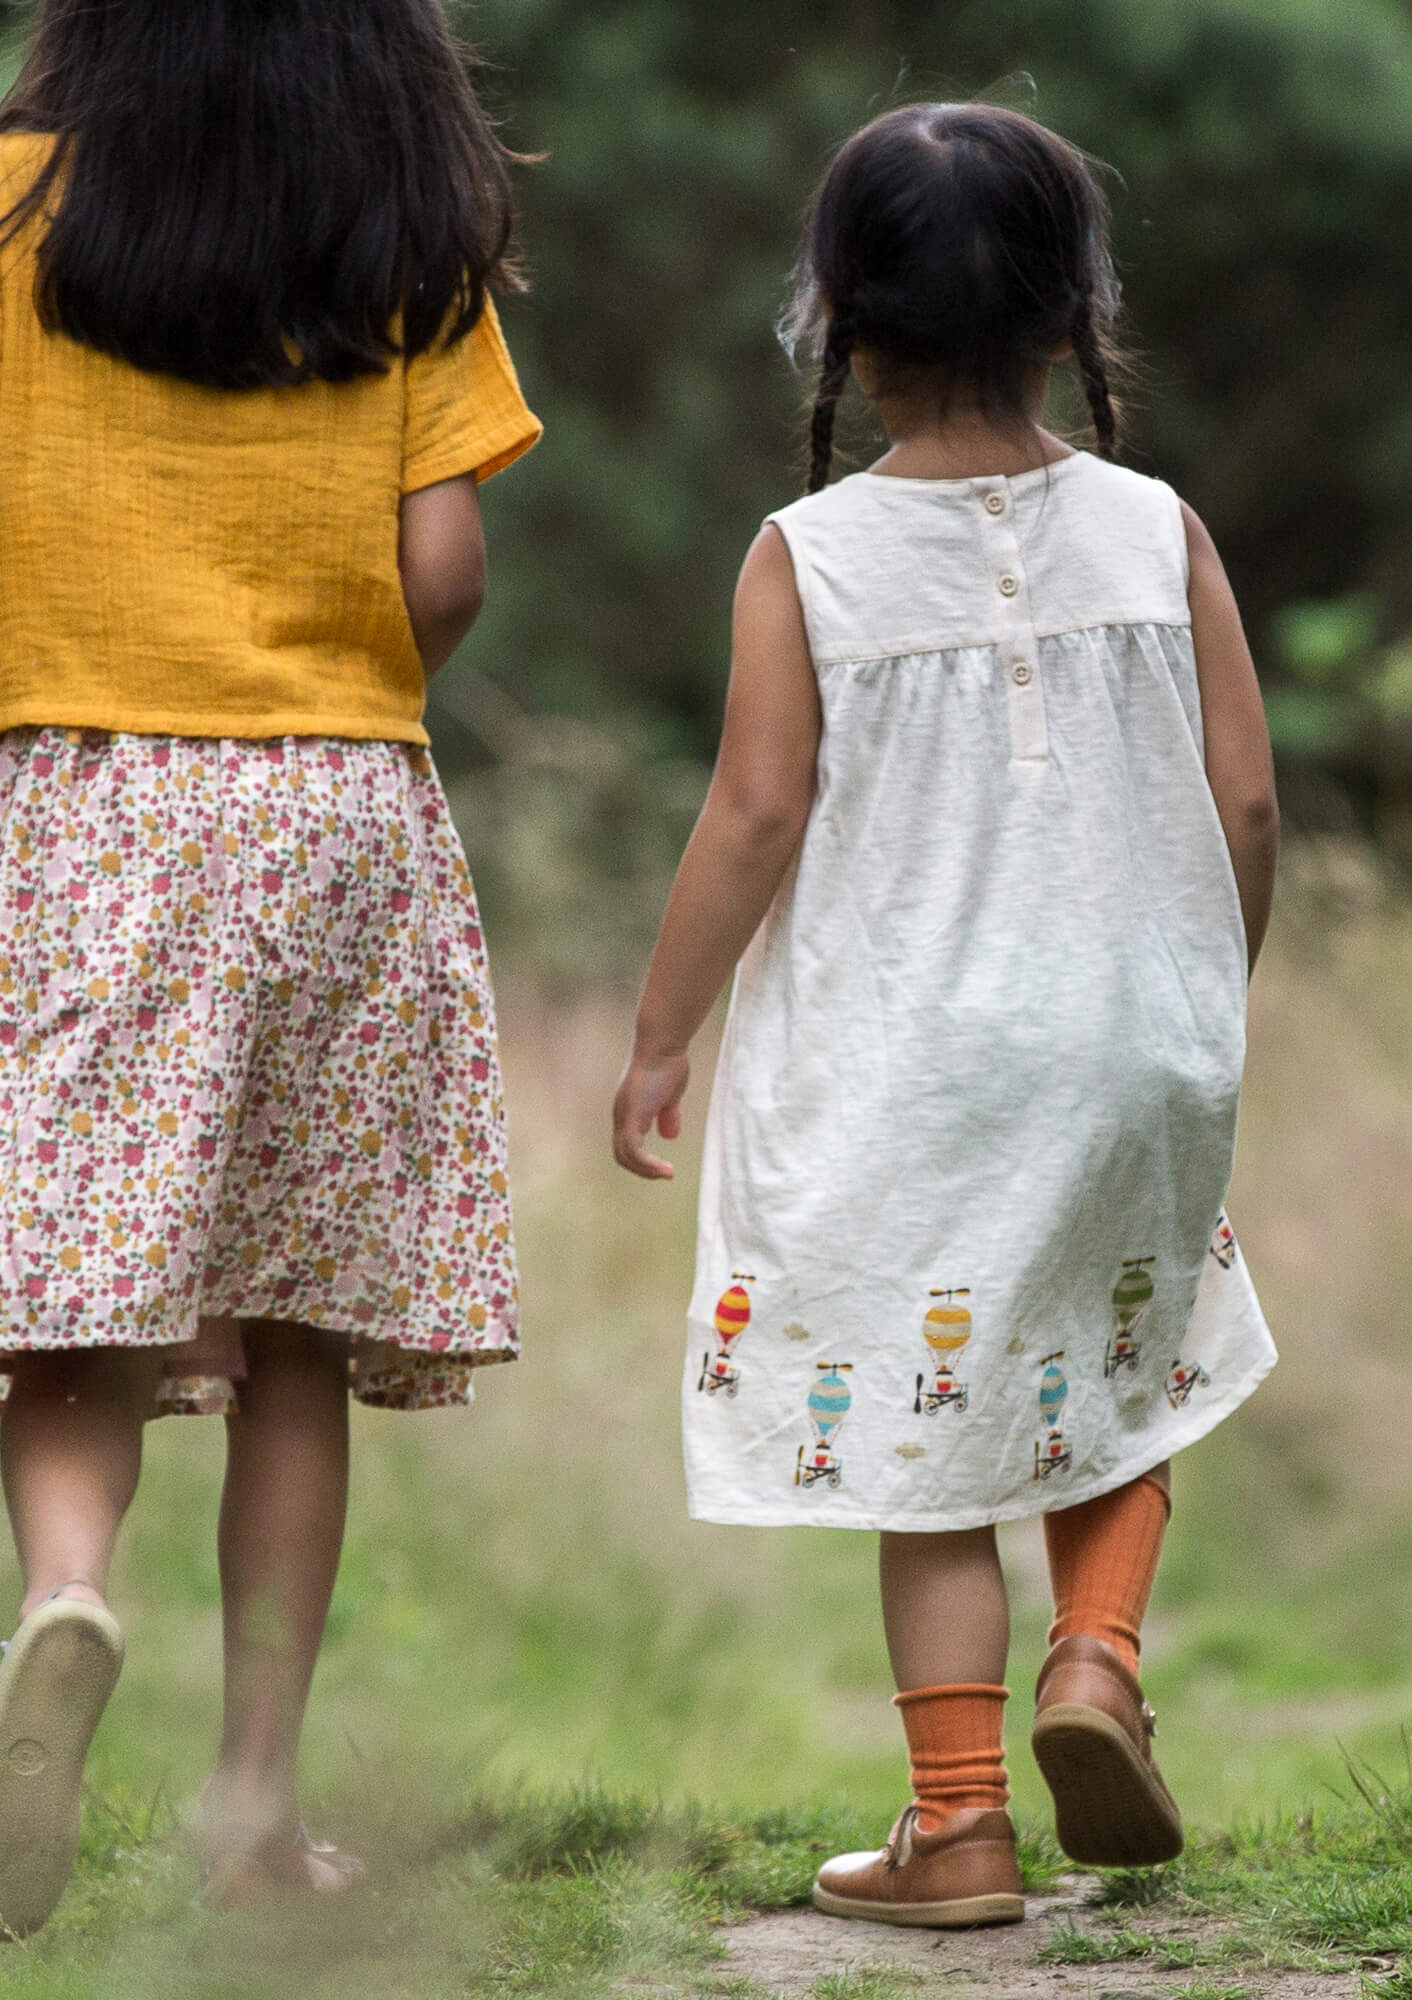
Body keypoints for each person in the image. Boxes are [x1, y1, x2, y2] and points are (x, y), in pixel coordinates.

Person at [614, 101, 1280, 1926]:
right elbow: (1248, 807)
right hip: (1143, 1042)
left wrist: (662, 1031)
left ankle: (964, 1825)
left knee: (932, 1443)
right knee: (1129, 1370)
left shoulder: (809, 555)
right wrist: (1205, 998)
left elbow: (754, 812)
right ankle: (1099, 1657)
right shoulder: (1159, 527)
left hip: (917, 1072)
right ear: (1078, 317)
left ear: (839, 323)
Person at [0, 0, 540, 1928]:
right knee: (298, 1322)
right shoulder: (400, 242)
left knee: (80, 1283)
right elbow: (447, 570)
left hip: (76, 800)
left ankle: (66, 1589)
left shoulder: (9, 225)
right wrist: (344, 694)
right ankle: (249, 1808)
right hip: (338, 813)